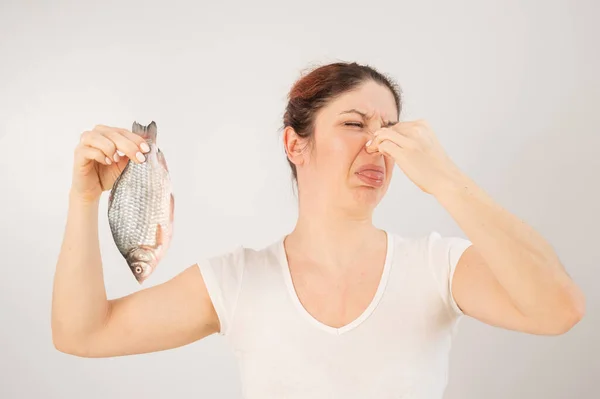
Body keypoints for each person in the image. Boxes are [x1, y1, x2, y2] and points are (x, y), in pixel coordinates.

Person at [51, 61, 585, 398]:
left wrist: (447, 180)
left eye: (393, 131)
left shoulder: (438, 267)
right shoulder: (238, 280)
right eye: (354, 124)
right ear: (294, 144)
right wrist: (83, 199)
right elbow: (82, 334)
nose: (378, 145)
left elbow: (559, 310)